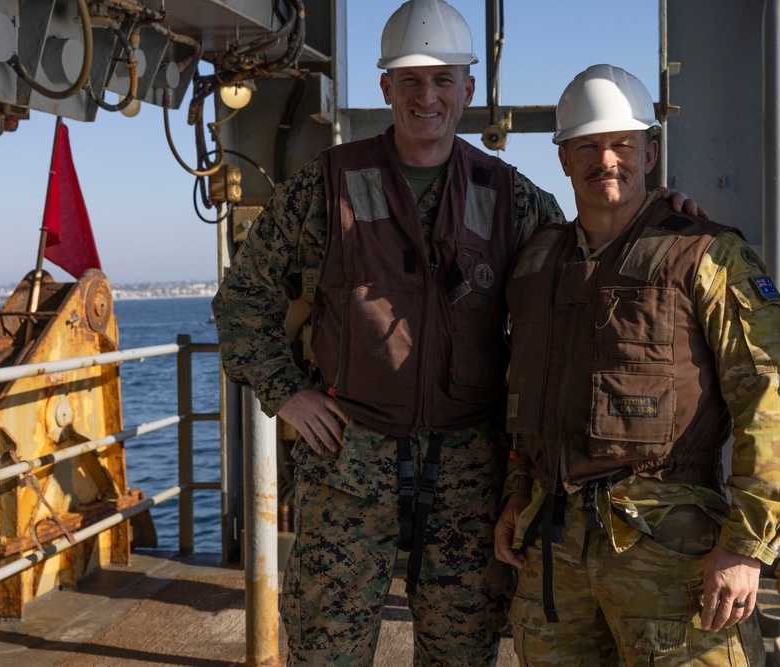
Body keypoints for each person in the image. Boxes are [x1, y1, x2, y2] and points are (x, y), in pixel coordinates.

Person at [212, 2, 701, 663]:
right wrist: (287, 393)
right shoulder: (327, 188)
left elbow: (587, 262)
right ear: (385, 87)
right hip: (348, 466)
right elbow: (243, 298)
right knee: (324, 650)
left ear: (468, 89)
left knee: (463, 655)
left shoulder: (512, 199)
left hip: (469, 473)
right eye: (410, 80)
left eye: (443, 80)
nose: (427, 96)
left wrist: (658, 211)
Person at [493, 63, 780, 666]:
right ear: (562, 158)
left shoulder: (708, 256)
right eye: (587, 146)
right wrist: (517, 495)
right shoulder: (535, 265)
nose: (605, 160)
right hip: (554, 555)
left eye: (622, 145)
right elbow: (524, 400)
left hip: (670, 554)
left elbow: (769, 401)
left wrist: (746, 548)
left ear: (651, 152)